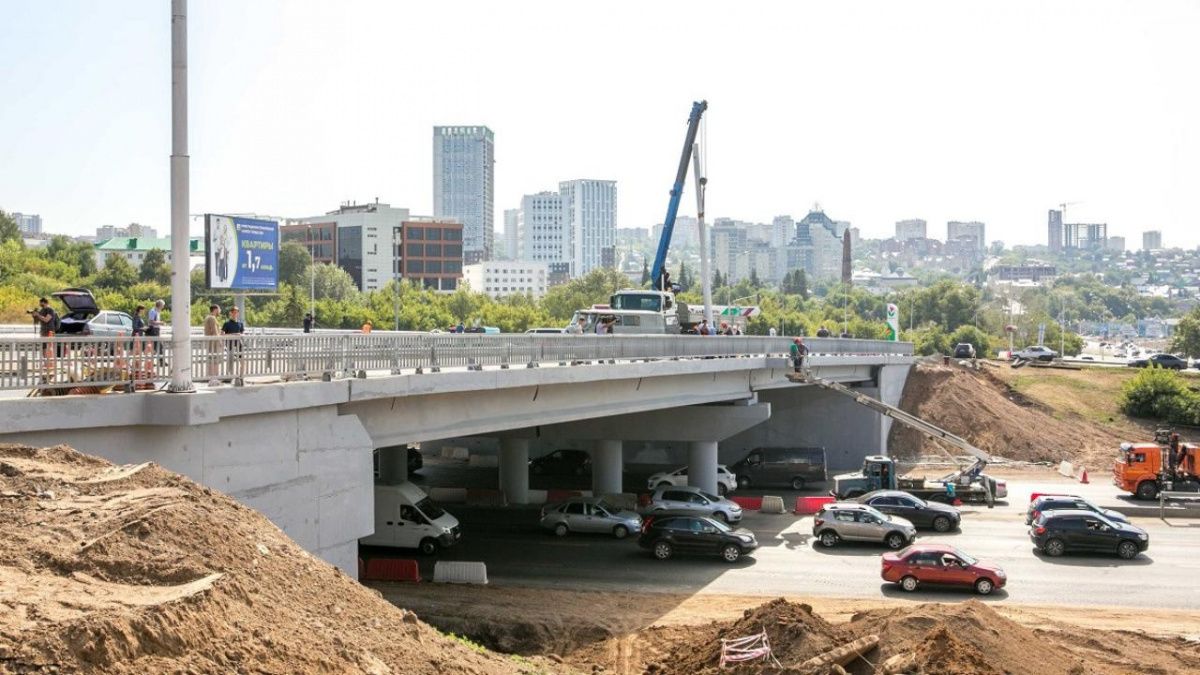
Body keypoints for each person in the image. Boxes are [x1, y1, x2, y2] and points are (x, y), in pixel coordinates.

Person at [222, 307, 245, 377]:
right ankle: (228, 376)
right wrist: (233, 334)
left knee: (242, 361)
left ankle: (241, 376)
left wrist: (240, 334)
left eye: (236, 312)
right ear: (230, 313)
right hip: (230, 344)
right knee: (230, 361)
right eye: (234, 312)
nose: (235, 314)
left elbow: (243, 333)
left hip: (239, 344)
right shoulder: (227, 323)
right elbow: (222, 334)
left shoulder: (240, 323)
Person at [204, 304, 221, 385]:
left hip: (209, 342)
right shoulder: (212, 318)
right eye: (219, 309)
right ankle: (213, 378)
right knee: (214, 360)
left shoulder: (207, 317)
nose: (220, 311)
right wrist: (220, 341)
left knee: (211, 359)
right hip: (213, 342)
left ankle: (211, 377)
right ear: (215, 309)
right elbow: (215, 331)